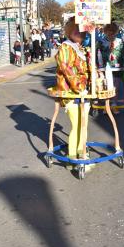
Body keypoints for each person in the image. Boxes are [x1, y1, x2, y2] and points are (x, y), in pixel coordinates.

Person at [54, 17, 90, 159]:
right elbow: (65, 67)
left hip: (83, 92)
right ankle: (73, 156)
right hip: (72, 92)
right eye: (76, 31)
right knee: (77, 125)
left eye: (82, 32)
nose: (79, 34)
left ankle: (81, 153)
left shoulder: (80, 48)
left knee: (83, 124)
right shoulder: (66, 47)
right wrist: (78, 86)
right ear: (69, 32)